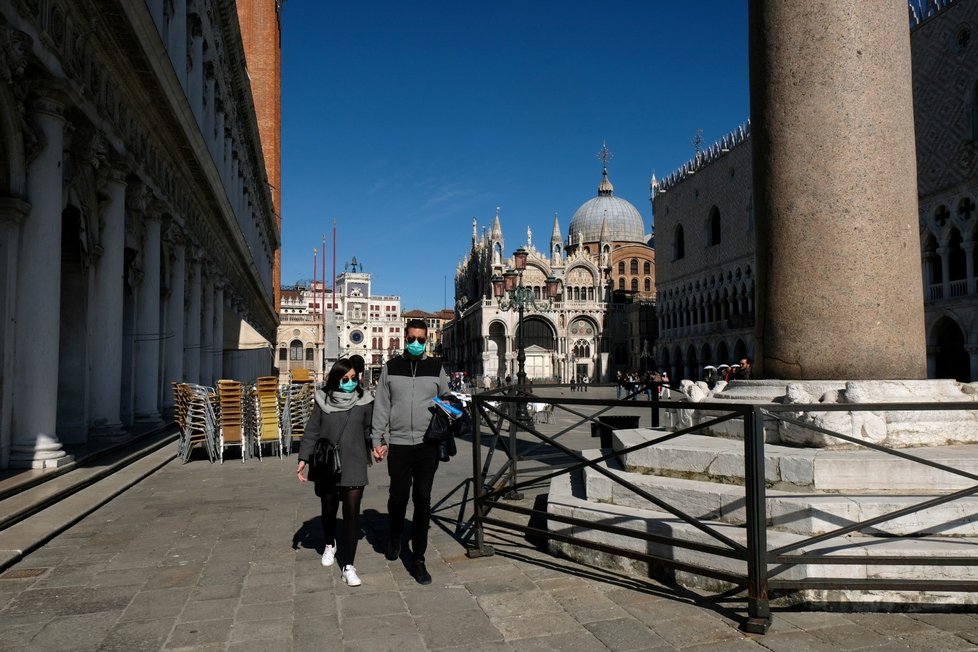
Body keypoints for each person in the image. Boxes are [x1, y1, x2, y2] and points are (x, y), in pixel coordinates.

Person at [371, 318, 449, 585]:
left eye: (421, 340)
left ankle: (418, 558)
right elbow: (382, 405)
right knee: (398, 497)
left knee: (423, 499)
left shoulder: (436, 366)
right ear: (405, 339)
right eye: (412, 339)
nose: (416, 344)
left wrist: (450, 408)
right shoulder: (391, 368)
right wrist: (377, 438)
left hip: (428, 444)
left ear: (427, 340)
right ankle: (394, 535)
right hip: (401, 444)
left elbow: (446, 397)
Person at [296, 359, 374, 587]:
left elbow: (370, 429)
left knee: (352, 514)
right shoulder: (322, 400)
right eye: (345, 379)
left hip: (355, 462)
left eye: (353, 378)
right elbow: (312, 431)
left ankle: (348, 566)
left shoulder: (365, 401)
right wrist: (303, 459)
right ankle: (330, 543)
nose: (350, 382)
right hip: (327, 464)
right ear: (336, 379)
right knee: (329, 509)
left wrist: (379, 445)